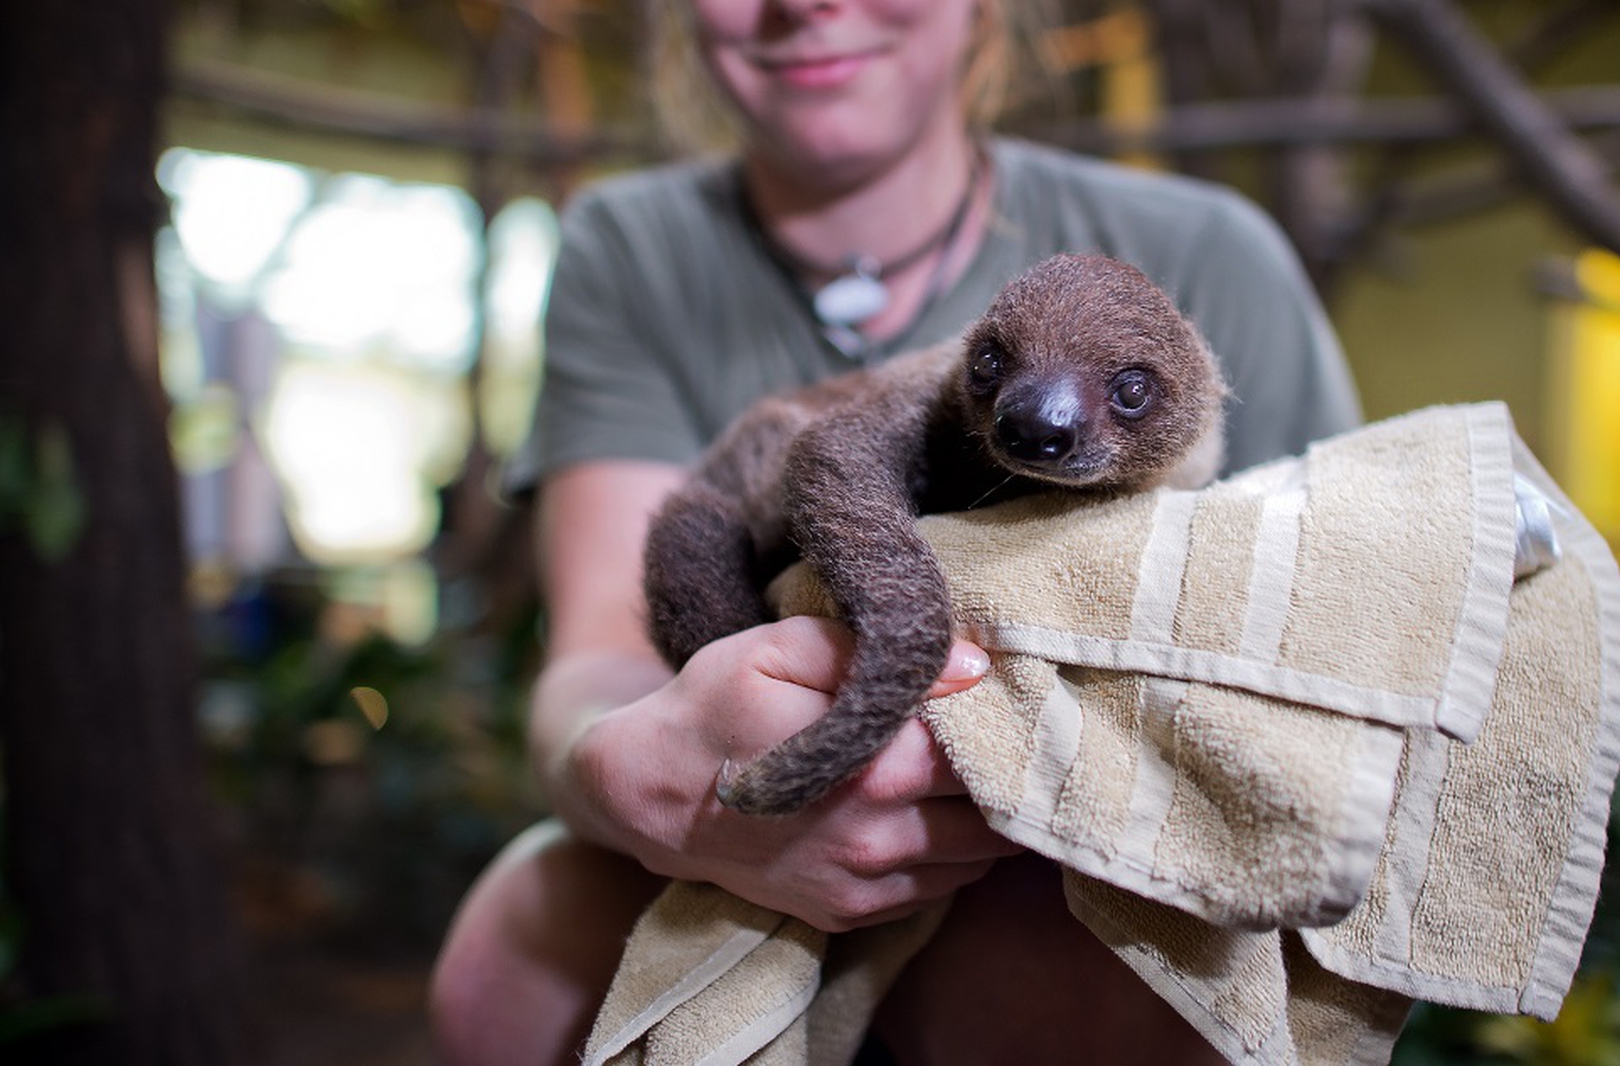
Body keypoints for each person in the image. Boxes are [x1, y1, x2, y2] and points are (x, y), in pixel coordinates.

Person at [427, 1, 1362, 1063]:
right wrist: (643, 775)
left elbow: (1338, 623)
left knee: (1077, 971)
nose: (806, 3)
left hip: (1064, 829)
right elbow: (604, 651)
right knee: (510, 964)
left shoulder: (1206, 253)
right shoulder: (631, 241)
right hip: (762, 719)